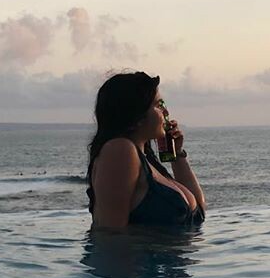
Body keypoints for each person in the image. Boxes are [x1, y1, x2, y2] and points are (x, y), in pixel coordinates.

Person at [87, 72, 206, 229]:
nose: (166, 112)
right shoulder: (120, 150)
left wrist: (177, 155)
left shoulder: (146, 161)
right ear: (137, 115)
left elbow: (199, 213)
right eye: (158, 105)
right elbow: (110, 232)